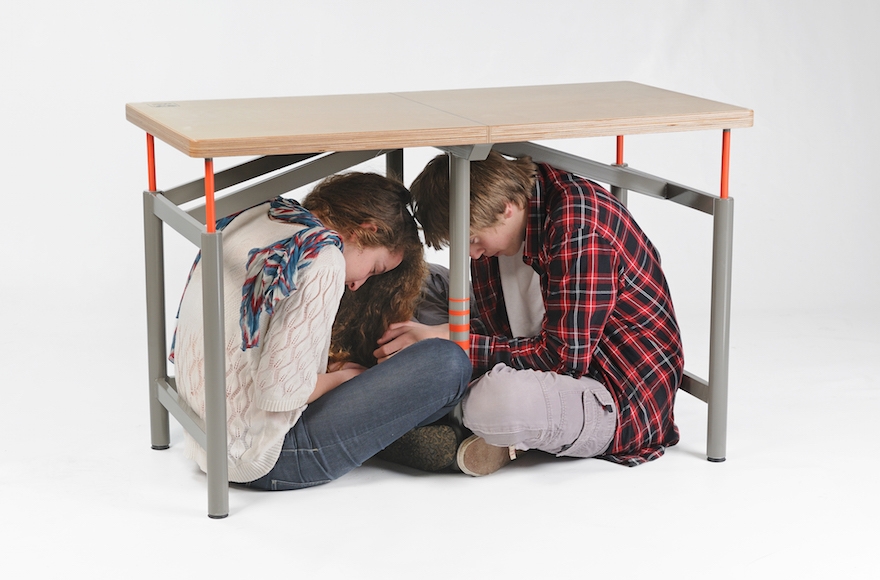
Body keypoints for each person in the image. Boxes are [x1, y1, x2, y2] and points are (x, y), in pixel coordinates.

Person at [374, 151, 684, 476]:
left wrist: (454, 340)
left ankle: (475, 417)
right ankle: (478, 421)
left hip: (609, 392)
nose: (473, 254)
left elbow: (562, 360)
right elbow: (499, 326)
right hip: (525, 346)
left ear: (507, 207)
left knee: (494, 401)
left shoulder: (579, 229)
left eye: (473, 240)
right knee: (418, 283)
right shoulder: (513, 206)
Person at [170, 172, 472, 490]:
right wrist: (344, 379)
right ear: (368, 230)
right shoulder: (324, 260)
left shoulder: (270, 214)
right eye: (375, 268)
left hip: (206, 431)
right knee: (448, 363)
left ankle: (394, 439)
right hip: (262, 456)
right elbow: (279, 395)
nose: (358, 284)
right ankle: (400, 439)